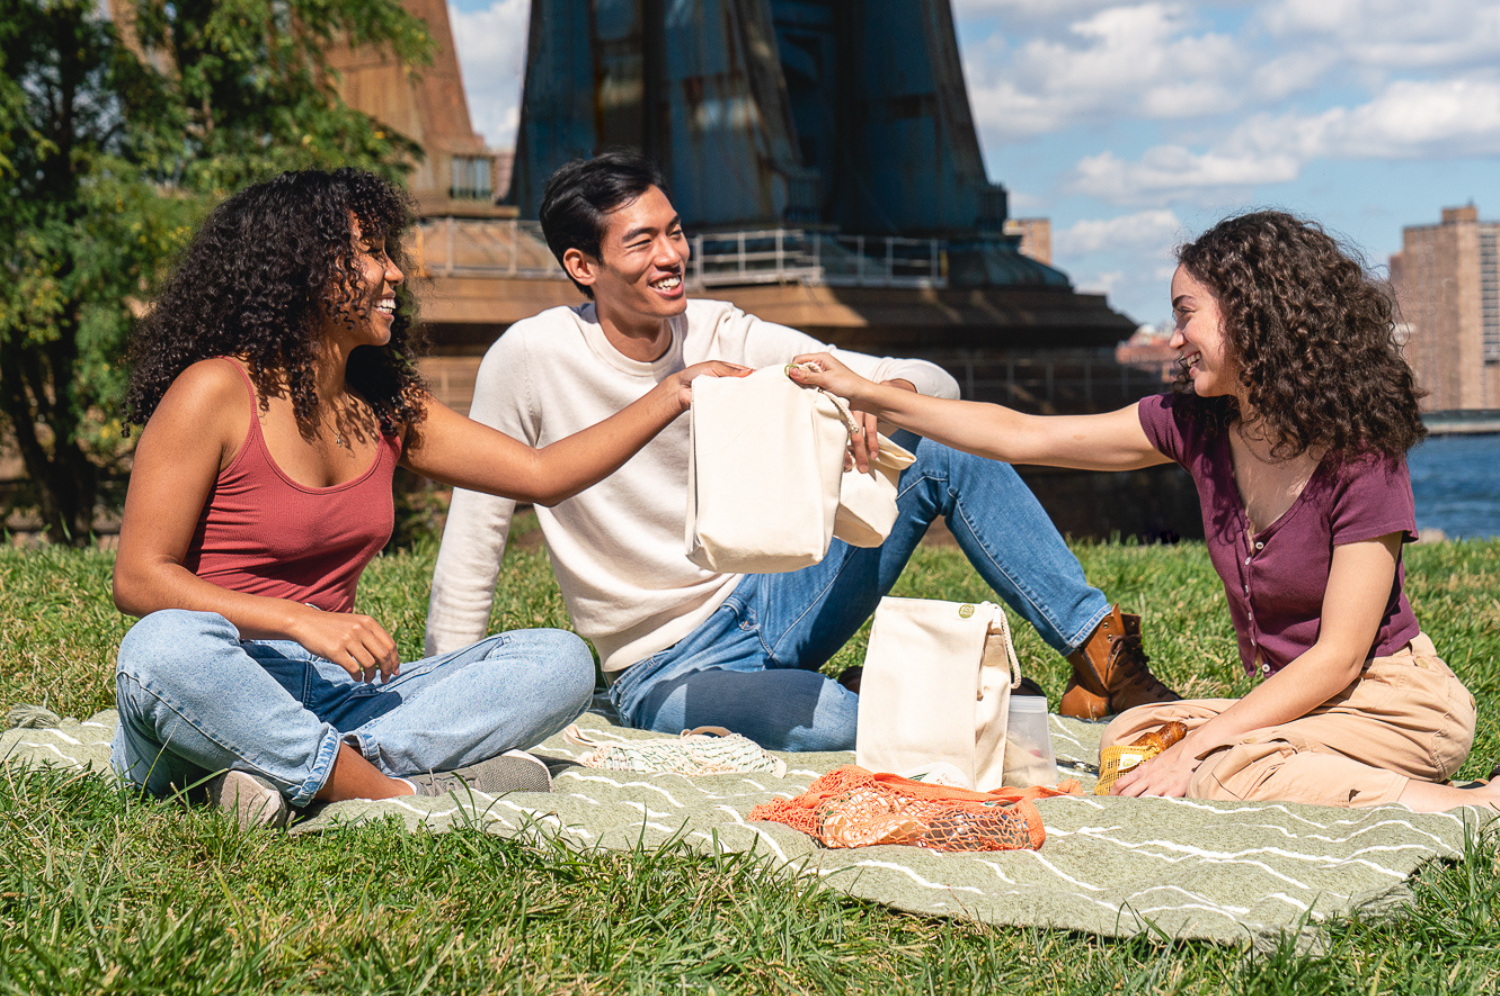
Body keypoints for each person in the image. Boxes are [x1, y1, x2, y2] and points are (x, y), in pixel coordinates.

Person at [425, 151, 1176, 752]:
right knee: (838, 728)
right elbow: (477, 532)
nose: (671, 255)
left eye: (676, 231)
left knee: (945, 445)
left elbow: (930, 386)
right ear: (582, 266)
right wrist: (444, 700)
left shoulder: (721, 330)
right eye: (642, 241)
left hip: (776, 597)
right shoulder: (530, 358)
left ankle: (1099, 655)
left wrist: (867, 399)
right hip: (665, 666)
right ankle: (916, 690)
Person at [789, 210, 1500, 812]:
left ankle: (1465, 805)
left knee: (1219, 770)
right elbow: (1026, 434)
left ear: (1253, 314)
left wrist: (1204, 745)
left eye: (1186, 315)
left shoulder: (1360, 453)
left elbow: (1340, 657)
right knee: (1133, 736)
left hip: (1391, 703)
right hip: (1309, 708)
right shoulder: (1196, 426)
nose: (1174, 338)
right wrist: (873, 393)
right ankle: (1321, 771)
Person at [111, 168, 745, 827]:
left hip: (334, 699)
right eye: (373, 253)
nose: (395, 274)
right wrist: (298, 619)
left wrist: (673, 392)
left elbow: (540, 474)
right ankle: (390, 791)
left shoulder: (385, 405)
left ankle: (297, 774)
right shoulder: (214, 390)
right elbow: (138, 579)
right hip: (218, 683)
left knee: (558, 661)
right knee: (161, 647)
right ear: (302, 266)